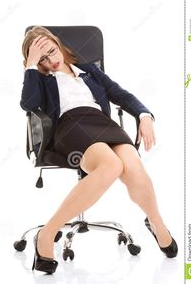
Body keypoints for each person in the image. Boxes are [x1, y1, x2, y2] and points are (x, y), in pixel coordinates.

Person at [20, 26, 178, 274]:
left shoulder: (88, 70)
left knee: (132, 165)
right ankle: (47, 234)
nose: (51, 61)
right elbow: (28, 105)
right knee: (111, 165)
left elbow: (119, 94)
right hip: (69, 125)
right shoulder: (39, 78)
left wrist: (144, 115)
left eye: (51, 51)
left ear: (58, 44)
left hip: (102, 123)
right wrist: (30, 65)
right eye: (42, 59)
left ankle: (156, 223)